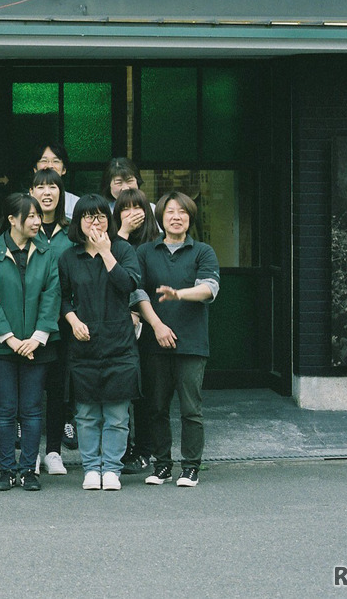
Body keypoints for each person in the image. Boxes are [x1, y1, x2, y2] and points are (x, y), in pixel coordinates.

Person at [134, 191, 221, 486]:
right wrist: (157, 325)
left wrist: (179, 294)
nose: (176, 217)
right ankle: (161, 465)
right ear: (160, 217)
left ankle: (191, 467)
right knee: (156, 407)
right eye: (170, 211)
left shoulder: (203, 252)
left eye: (182, 212)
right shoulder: (145, 252)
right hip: (154, 342)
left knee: (191, 409)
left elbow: (209, 288)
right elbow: (138, 292)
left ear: (190, 217)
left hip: (192, 343)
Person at [0, 194, 61, 492]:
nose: (38, 221)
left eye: (38, 216)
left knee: (32, 409)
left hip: (38, 345)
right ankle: (6, 470)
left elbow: (52, 295)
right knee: (4, 410)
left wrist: (37, 337)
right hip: (1, 346)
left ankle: (28, 470)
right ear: (12, 219)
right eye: (31, 216)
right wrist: (10, 338)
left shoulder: (47, 252)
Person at [59, 194, 142, 492]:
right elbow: (61, 298)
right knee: (86, 414)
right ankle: (91, 468)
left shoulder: (123, 250)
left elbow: (128, 285)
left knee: (117, 415)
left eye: (101, 216)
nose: (96, 222)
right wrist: (72, 321)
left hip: (119, 343)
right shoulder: (69, 257)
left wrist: (107, 253)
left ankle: (112, 469)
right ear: (78, 222)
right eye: (88, 216)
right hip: (84, 345)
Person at [29, 167, 76, 474]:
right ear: (31, 192)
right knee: (30, 391)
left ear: (61, 193)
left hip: (64, 323)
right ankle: (30, 452)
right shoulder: (23, 228)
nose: (47, 192)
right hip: (27, 323)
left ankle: (54, 451)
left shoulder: (72, 232)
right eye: (40, 187)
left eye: (53, 187)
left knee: (58, 390)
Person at [112, 185, 161, 475]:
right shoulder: (113, 242)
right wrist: (123, 233)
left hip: (151, 327)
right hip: (120, 328)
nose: (132, 213)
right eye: (125, 208)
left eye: (137, 207)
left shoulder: (156, 245)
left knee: (147, 393)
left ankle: (144, 451)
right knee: (124, 390)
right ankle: (124, 449)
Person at [33, 141, 79, 218]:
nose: (50, 166)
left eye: (56, 161)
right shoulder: (22, 204)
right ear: (35, 169)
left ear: (64, 169)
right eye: (44, 161)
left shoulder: (76, 203)